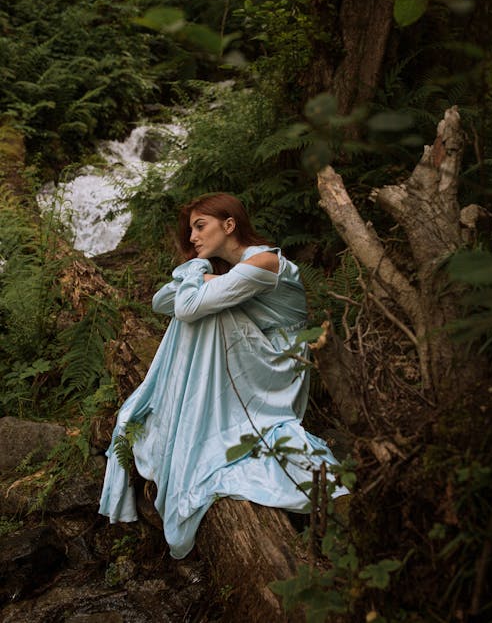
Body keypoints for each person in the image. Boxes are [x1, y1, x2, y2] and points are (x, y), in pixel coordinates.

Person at [99, 192, 348, 559]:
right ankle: (187, 421)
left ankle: (189, 425)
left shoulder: (264, 262)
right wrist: (204, 274)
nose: (193, 238)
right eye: (190, 230)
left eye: (201, 226)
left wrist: (197, 273)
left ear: (229, 225)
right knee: (204, 310)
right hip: (255, 360)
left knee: (207, 312)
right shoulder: (235, 271)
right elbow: (160, 303)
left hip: (279, 367)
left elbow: (184, 306)